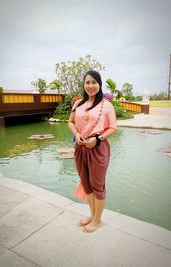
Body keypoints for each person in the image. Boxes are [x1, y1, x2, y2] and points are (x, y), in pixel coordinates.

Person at [68, 70, 117, 233]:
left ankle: (97, 220)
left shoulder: (106, 105)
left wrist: (98, 139)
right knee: (86, 183)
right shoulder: (78, 104)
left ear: (99, 84)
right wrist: (76, 134)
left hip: (98, 149)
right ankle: (92, 215)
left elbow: (113, 128)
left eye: (94, 82)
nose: (90, 86)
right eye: (87, 82)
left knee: (98, 185)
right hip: (80, 148)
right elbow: (70, 122)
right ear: (84, 85)